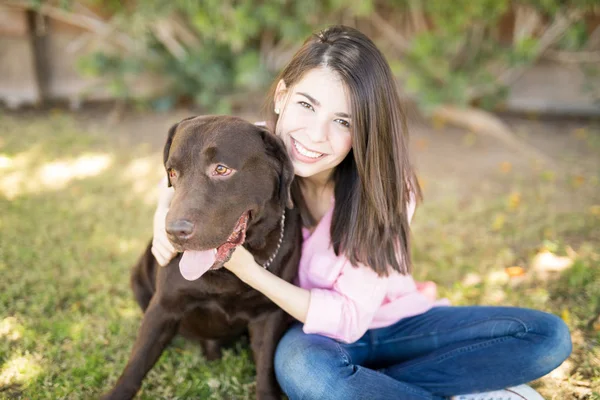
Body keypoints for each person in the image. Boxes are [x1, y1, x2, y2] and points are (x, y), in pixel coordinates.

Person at [151, 25, 571, 400]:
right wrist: (160, 212)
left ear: (365, 130)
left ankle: (379, 384)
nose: (314, 137)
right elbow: (193, 166)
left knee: (547, 338)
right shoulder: (255, 153)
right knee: (305, 372)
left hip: (397, 323)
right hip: (313, 337)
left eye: (343, 122)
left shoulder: (386, 189)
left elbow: (350, 319)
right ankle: (456, 388)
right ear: (281, 96)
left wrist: (250, 272)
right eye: (307, 106)